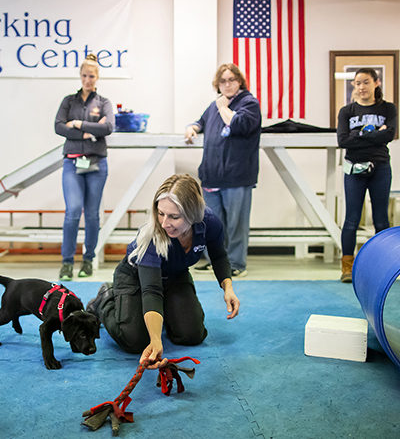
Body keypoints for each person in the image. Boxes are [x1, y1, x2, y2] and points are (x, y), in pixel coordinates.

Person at [87, 174, 241, 369]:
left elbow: (218, 256)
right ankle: (105, 299)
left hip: (174, 276)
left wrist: (228, 288)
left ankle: (167, 312)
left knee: (192, 335)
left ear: (192, 214)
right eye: (161, 213)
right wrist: (155, 340)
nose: (164, 222)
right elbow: (151, 291)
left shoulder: (209, 222)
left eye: (174, 216)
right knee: (135, 341)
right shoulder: (152, 235)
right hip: (137, 278)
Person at [184, 63, 261, 278]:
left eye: (231, 80)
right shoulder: (214, 106)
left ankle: (236, 263)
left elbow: (238, 124)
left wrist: (223, 108)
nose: (227, 85)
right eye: (222, 81)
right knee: (211, 223)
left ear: (239, 81)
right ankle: (215, 260)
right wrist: (192, 128)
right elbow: (200, 122)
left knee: (236, 224)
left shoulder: (249, 103)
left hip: (237, 177)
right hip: (212, 176)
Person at [54, 54, 114, 281]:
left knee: (91, 215)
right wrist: (89, 131)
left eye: (92, 76)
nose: (88, 79)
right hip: (72, 162)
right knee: (72, 212)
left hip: (97, 163)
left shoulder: (104, 102)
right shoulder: (69, 101)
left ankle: (88, 259)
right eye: (84, 75)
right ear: (80, 76)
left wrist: (78, 124)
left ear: (97, 77)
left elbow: (108, 127)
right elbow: (58, 126)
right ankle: (67, 262)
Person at [336, 68, 397, 283]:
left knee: (381, 220)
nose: (361, 87)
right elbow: (343, 141)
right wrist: (371, 134)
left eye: (366, 82)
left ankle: (385, 266)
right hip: (354, 169)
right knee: (351, 219)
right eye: (357, 83)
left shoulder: (388, 108)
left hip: (380, 167)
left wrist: (358, 135)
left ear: (376, 83)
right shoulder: (347, 111)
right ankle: (347, 268)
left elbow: (389, 135)